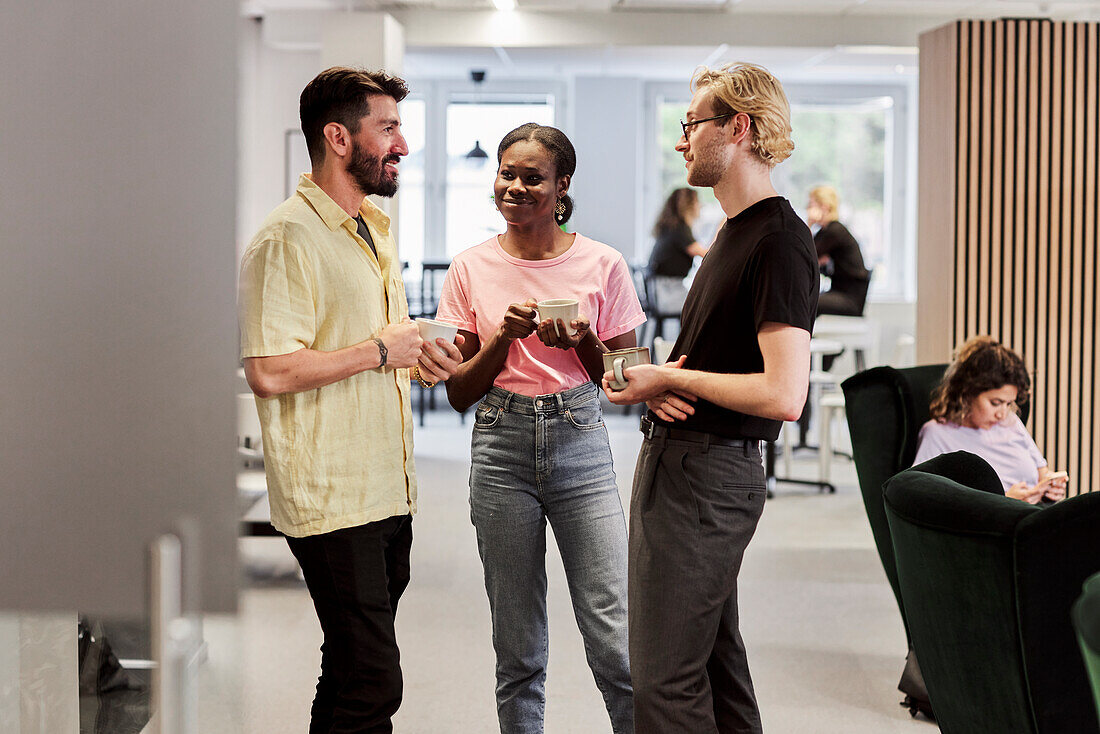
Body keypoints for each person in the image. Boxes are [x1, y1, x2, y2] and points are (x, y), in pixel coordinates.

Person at [237, 67, 464, 733]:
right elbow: (270, 371)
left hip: (385, 488)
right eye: (388, 127)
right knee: (372, 681)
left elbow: (372, 344)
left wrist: (418, 355)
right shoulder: (287, 239)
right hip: (332, 498)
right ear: (339, 137)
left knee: (347, 668)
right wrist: (380, 351)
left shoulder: (371, 228)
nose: (404, 143)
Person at [605, 63, 819, 733]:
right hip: (683, 465)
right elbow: (712, 361)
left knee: (664, 686)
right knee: (714, 671)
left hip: (710, 475)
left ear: (738, 128)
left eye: (691, 126)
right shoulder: (730, 233)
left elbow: (784, 394)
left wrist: (673, 379)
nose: (682, 143)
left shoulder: (781, 239)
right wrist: (661, 381)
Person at [435, 122, 645, 734]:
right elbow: (458, 392)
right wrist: (502, 336)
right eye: (508, 174)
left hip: (581, 438)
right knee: (518, 649)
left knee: (615, 640)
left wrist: (582, 341)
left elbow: (625, 384)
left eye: (533, 177)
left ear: (561, 186)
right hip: (501, 443)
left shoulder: (603, 263)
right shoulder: (470, 267)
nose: (516, 187)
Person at [913, 335, 1068, 503]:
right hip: (996, 523)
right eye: (996, 403)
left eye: (1008, 403)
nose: (1002, 413)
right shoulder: (938, 433)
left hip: (1037, 513)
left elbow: (1042, 473)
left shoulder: (1011, 422)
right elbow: (920, 496)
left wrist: (1052, 487)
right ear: (968, 392)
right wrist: (1005, 500)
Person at [806, 185, 870, 317]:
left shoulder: (835, 231)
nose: (808, 209)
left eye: (811, 204)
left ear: (824, 206)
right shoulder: (826, 232)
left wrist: (809, 224)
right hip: (839, 293)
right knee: (805, 300)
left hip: (849, 299)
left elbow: (806, 255)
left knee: (805, 302)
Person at [647, 187, 709, 315]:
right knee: (707, 306)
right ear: (688, 205)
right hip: (667, 293)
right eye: (697, 202)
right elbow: (707, 254)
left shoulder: (670, 227)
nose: (700, 206)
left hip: (660, 290)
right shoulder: (680, 229)